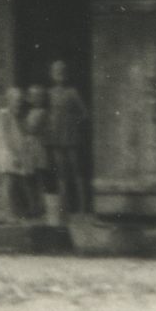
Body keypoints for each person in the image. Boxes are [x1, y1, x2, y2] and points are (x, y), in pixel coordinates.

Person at [45, 59, 92, 219]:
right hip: (56, 138)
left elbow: (85, 113)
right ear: (51, 74)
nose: (59, 74)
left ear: (66, 74)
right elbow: (46, 114)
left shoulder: (72, 92)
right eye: (56, 71)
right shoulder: (49, 94)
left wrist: (72, 122)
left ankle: (83, 208)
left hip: (71, 137)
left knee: (76, 170)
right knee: (61, 173)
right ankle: (63, 209)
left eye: (62, 71)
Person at [0, 85, 44, 222]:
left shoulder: (17, 116)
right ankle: (9, 215)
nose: (19, 103)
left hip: (14, 153)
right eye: (16, 100)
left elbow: (21, 134)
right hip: (6, 153)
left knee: (16, 183)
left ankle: (18, 213)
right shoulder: (4, 114)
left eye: (20, 100)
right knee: (8, 184)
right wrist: (15, 155)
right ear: (9, 100)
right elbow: (8, 138)